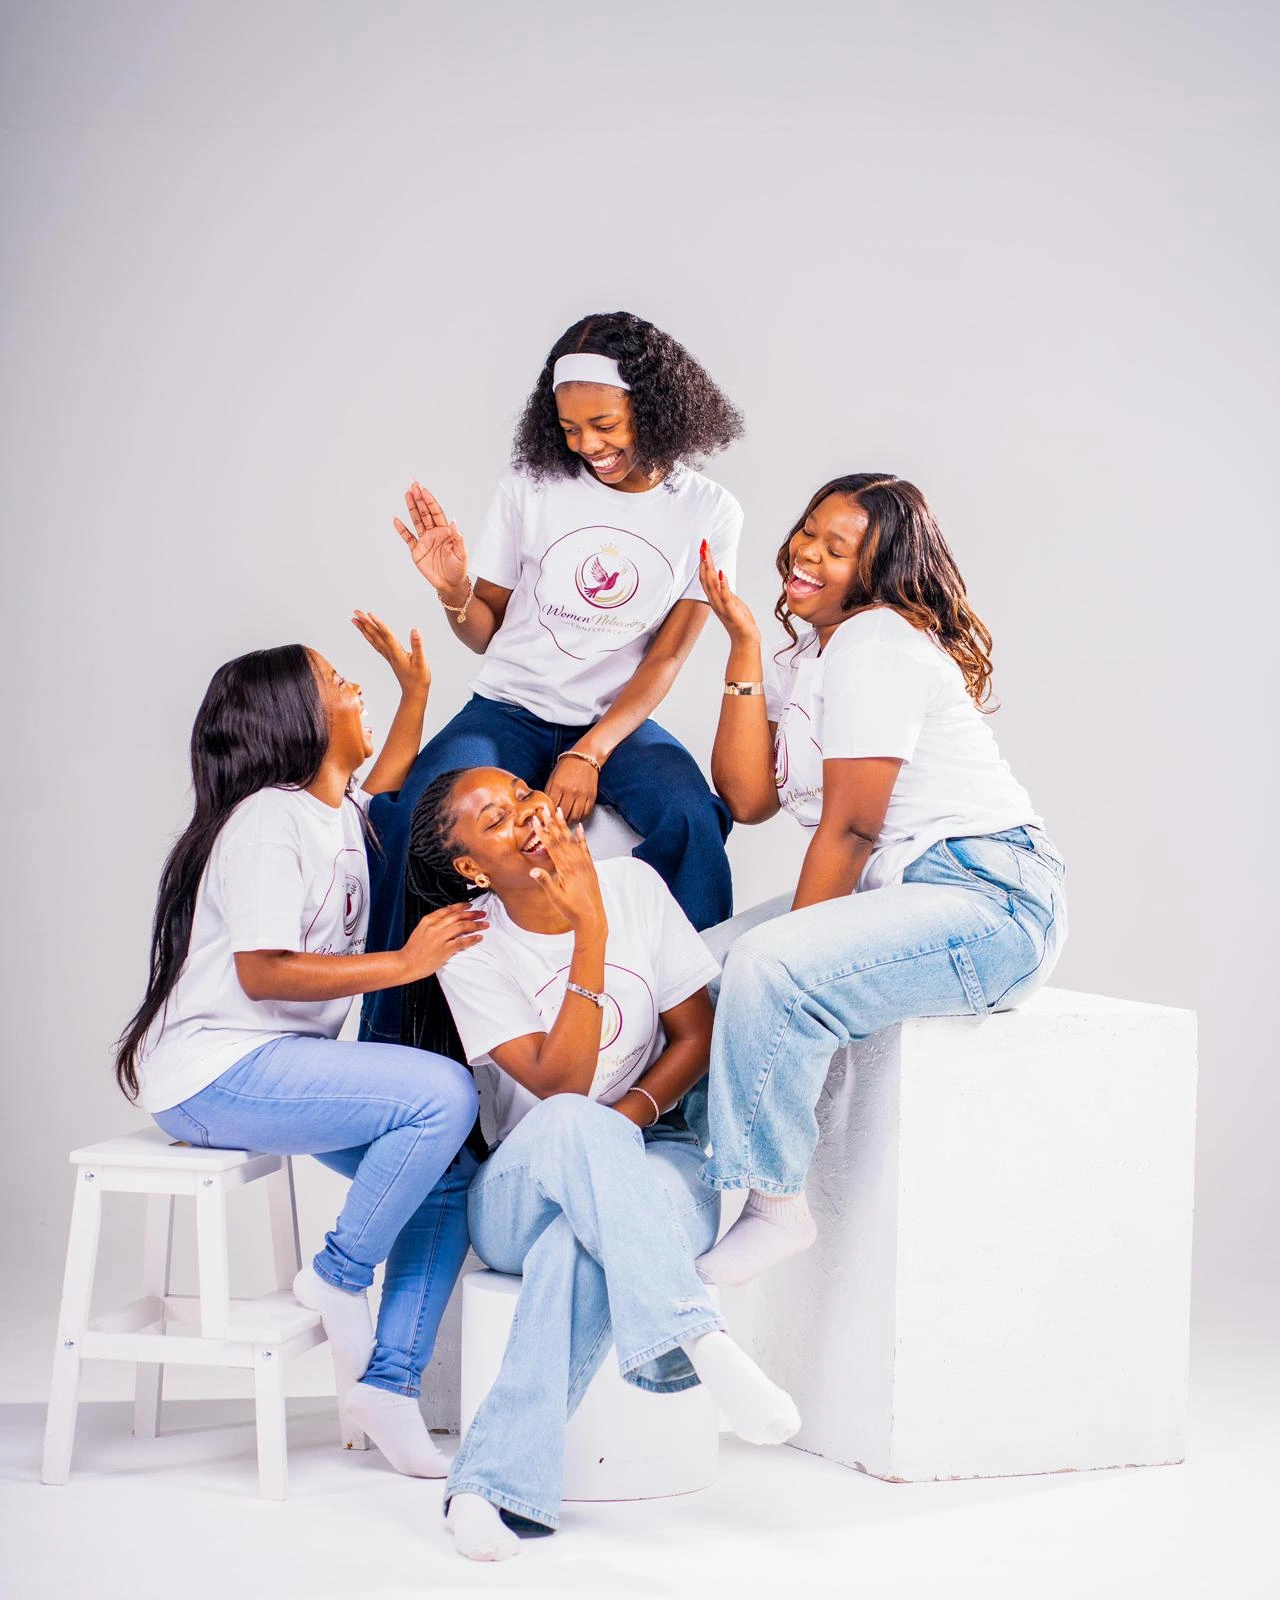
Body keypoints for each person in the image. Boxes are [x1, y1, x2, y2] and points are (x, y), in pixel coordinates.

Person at [114, 615, 486, 1477]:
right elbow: (261, 973)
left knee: (453, 1166)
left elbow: (388, 777)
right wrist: (406, 964)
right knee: (443, 1094)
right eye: (335, 681)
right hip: (215, 1071)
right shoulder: (266, 822)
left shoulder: (336, 812)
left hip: (276, 1069)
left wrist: (415, 692)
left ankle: (389, 1385)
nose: (352, 686)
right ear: (300, 718)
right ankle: (338, 1274)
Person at [402, 768, 800, 1562]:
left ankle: (485, 1488)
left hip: (655, 1159)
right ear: (472, 869)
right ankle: (697, 1337)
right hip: (523, 1184)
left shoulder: (634, 887)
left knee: (576, 1250)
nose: (526, 814)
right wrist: (588, 930)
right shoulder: (473, 948)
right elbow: (562, 1086)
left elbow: (696, 1034)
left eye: (523, 795)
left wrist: (625, 1125)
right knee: (571, 1122)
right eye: (495, 818)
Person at [691, 474, 1068, 1288]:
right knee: (690, 977)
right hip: (905, 894)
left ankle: (773, 1203)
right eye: (808, 531)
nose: (806, 554)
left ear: (879, 571)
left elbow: (854, 829)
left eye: (837, 549)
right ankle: (672, 1185)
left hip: (992, 898)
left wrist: (791, 955)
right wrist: (746, 646)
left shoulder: (875, 643)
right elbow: (747, 798)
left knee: (770, 967)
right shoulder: (809, 652)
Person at [361, 310, 745, 1049]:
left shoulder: (708, 510)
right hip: (507, 708)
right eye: (570, 429)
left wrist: (590, 751)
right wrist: (453, 588)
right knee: (410, 821)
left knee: (692, 818)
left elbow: (665, 659)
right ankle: (394, 1042)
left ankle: (699, 1037)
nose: (588, 445)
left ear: (655, 407)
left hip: (615, 722)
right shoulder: (532, 484)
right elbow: (485, 631)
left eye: (604, 424)